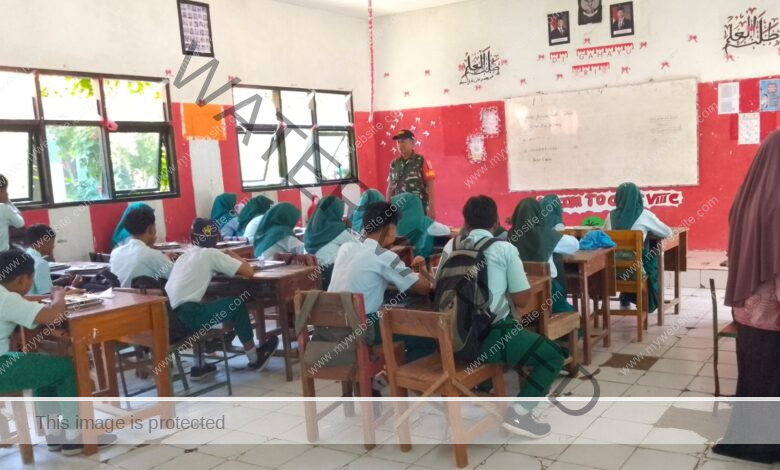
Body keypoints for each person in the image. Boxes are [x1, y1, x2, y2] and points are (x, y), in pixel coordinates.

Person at [437, 196, 565, 438]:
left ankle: (481, 389)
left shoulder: (450, 246)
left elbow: (438, 287)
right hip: (491, 336)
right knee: (552, 356)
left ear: (466, 222)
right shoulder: (504, 248)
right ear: (496, 222)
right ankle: (519, 414)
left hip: (450, 338)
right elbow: (522, 300)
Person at [0, 249, 115, 455]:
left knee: (42, 367)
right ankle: (74, 437)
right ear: (21, 279)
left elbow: (23, 304)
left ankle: (54, 435)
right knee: (69, 368)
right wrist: (59, 296)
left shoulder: (5, 294)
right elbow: (54, 316)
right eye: (30, 280)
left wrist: (51, 298)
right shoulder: (6, 299)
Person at [714, 131, 780, 464]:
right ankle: (765, 446)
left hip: (750, 315)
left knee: (755, 378)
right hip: (772, 314)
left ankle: (751, 441)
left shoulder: (747, 197)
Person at [165, 219, 278, 377]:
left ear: (192, 237)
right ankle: (255, 358)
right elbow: (249, 272)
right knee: (236, 305)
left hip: (170, 318)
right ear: (217, 238)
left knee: (212, 301)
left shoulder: (184, 256)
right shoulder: (211, 254)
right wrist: (233, 255)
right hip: (189, 316)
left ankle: (200, 365)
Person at [328, 201, 432, 354]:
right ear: (390, 229)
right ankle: (400, 369)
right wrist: (421, 265)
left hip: (332, 327)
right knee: (424, 333)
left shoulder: (346, 248)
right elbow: (424, 288)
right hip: (361, 329)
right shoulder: (384, 255)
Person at [604, 182, 672, 312]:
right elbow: (667, 232)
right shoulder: (644, 215)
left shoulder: (609, 216)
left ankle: (626, 295)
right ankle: (647, 301)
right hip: (635, 271)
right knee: (651, 256)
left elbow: (603, 235)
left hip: (612, 270)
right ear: (638, 197)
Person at [510, 198, 578, 313]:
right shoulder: (545, 234)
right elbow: (574, 245)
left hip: (520, 291)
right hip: (549, 290)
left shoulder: (510, 236)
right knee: (573, 314)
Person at [109, 205, 174, 288]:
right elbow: (176, 275)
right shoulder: (153, 255)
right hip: (145, 296)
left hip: (120, 295)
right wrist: (165, 259)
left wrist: (162, 258)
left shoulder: (115, 253)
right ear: (150, 229)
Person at [304, 196, 355, 287]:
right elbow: (360, 242)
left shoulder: (310, 229)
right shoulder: (336, 229)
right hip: (330, 272)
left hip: (312, 273)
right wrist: (350, 228)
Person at [386, 130, 437, 218]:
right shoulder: (394, 163)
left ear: (412, 143)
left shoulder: (421, 160)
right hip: (399, 210)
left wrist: (431, 208)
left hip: (418, 209)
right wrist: (387, 208)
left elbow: (431, 185)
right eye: (398, 142)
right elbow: (390, 187)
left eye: (403, 141)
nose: (400, 145)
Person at [24, 224, 82, 295]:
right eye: (51, 243)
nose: (53, 246)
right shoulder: (41, 263)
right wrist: (73, 287)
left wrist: (58, 281)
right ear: (43, 242)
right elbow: (48, 296)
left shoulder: (24, 256)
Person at [392, 192, 450, 260]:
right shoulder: (425, 222)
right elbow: (447, 231)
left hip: (398, 262)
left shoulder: (391, 225)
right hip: (421, 262)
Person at [0, 174, 24, 251]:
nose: (6, 194)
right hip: (3, 253)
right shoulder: (4, 208)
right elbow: (20, 223)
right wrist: (8, 202)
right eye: (3, 191)